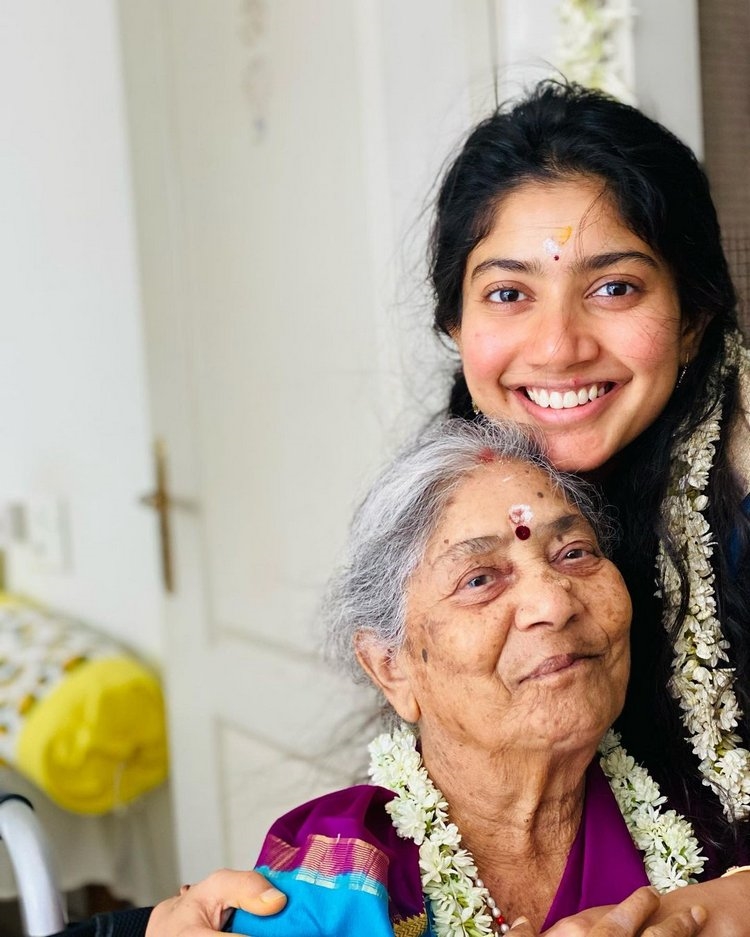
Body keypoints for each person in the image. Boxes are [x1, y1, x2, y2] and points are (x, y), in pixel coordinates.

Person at [65, 81, 750, 936]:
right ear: (455, 327)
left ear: (692, 320)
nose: (557, 345)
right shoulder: (468, 484)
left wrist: (721, 907)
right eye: (507, 293)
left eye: (613, 288)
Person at [220, 417, 716, 936]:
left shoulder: (707, 809)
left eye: (574, 553)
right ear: (392, 667)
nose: (551, 602)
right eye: (479, 579)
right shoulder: (321, 889)